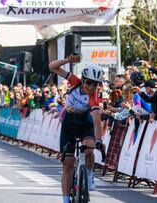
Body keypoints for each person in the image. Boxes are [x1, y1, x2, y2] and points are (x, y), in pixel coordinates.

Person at [49, 55, 104, 203]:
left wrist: (99, 140)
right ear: (83, 79)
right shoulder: (74, 81)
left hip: (85, 125)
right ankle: (66, 200)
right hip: (69, 124)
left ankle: (90, 175)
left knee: (89, 150)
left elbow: (97, 120)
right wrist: (68, 61)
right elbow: (52, 66)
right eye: (89, 82)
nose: (92, 87)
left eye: (96, 84)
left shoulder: (94, 98)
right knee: (68, 163)